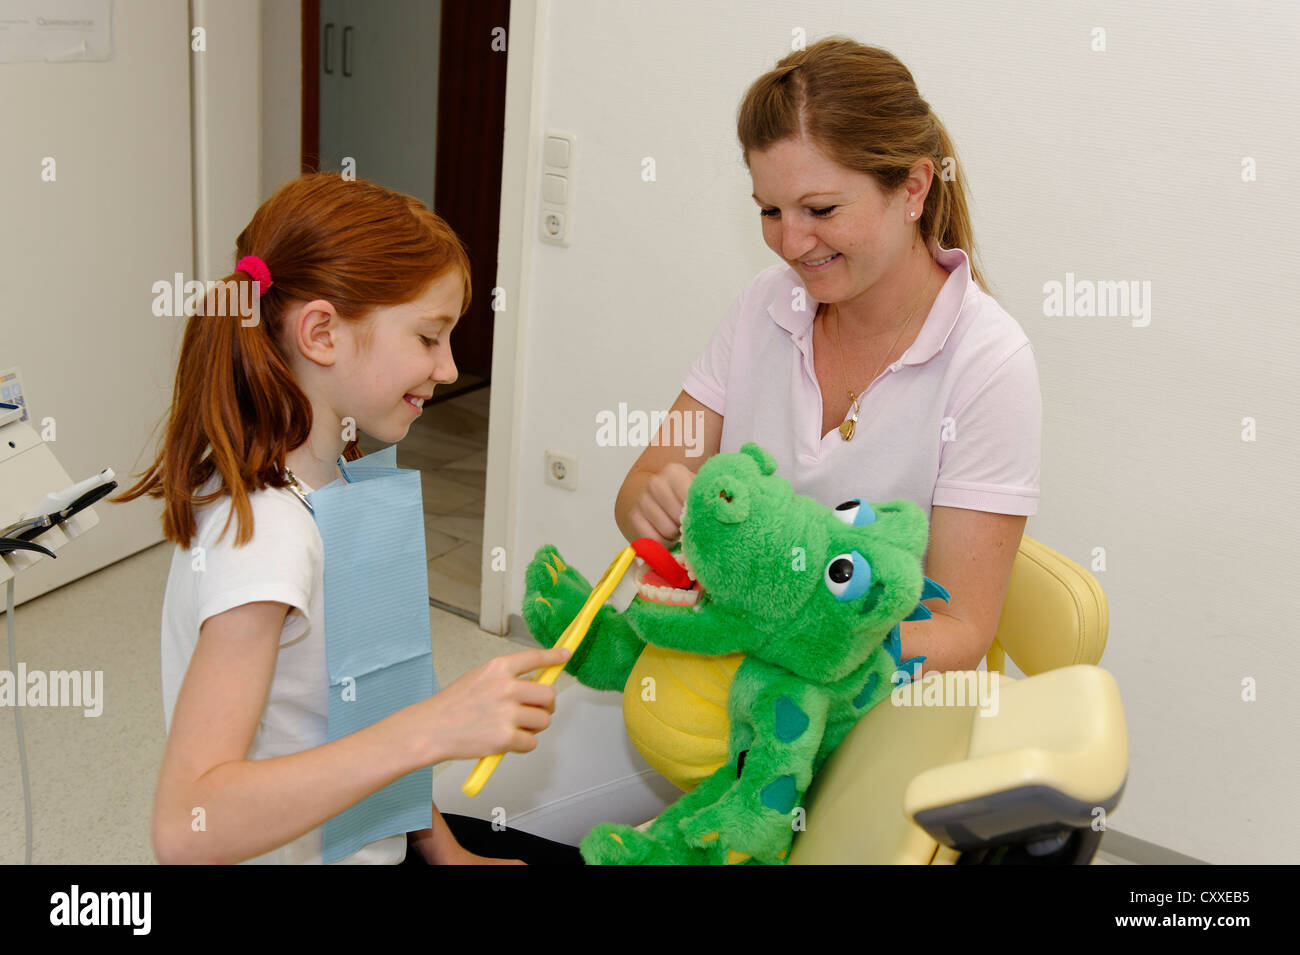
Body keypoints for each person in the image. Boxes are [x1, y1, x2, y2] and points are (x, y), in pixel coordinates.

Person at [115, 173, 583, 864]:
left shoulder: (322, 471)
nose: (450, 368)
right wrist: (431, 727)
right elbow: (187, 825)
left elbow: (364, 702)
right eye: (429, 336)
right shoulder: (270, 537)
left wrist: (447, 852)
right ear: (323, 333)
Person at [615, 38, 1041, 674]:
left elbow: (959, 632)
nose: (790, 242)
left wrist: (777, 633)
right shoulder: (765, 305)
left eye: (820, 209)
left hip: (870, 706)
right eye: (769, 210)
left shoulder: (989, 363)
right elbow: (638, 492)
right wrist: (653, 504)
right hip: (727, 665)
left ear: (914, 189)